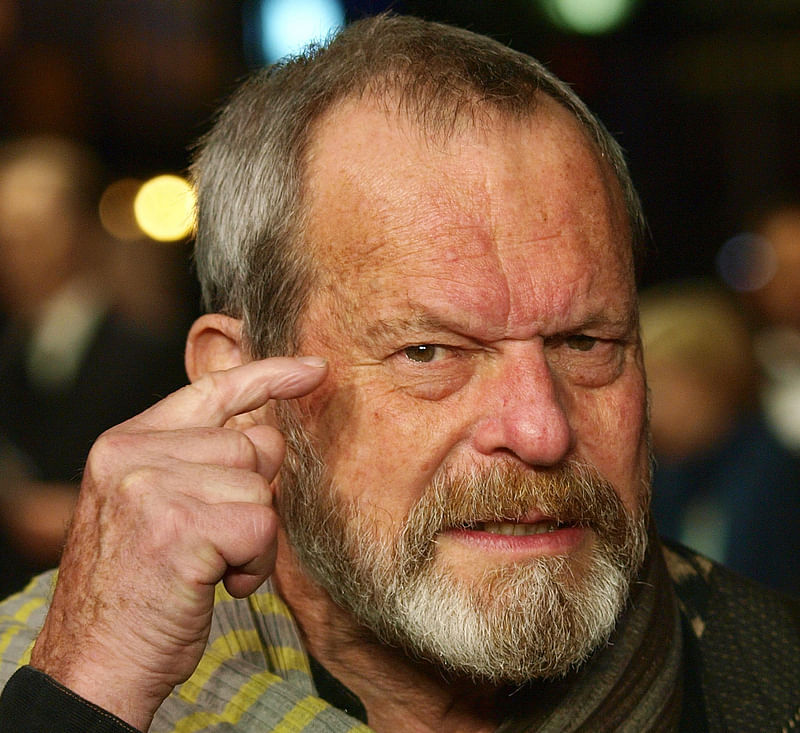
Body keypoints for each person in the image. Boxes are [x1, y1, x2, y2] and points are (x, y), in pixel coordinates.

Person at [0, 14, 797, 732]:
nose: (541, 428)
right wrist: (85, 698)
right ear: (240, 387)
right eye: (429, 352)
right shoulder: (56, 676)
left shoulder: (771, 677)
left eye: (585, 343)